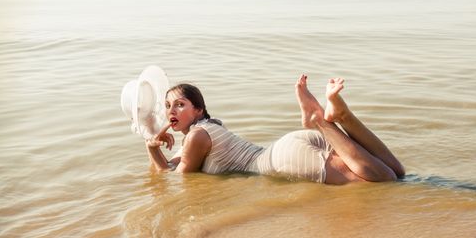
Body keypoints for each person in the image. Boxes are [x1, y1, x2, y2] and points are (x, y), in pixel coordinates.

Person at [145, 74, 405, 184]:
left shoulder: (197, 136)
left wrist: (151, 151)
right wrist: (152, 145)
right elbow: (172, 166)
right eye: (168, 105)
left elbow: (177, 179)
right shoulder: (209, 128)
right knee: (396, 172)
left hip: (282, 160)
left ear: (199, 110)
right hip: (289, 146)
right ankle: (342, 118)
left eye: (180, 105)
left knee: (382, 182)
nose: (172, 111)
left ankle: (320, 121)